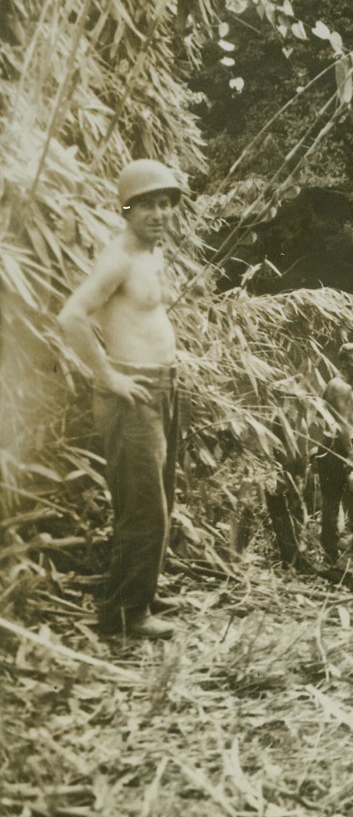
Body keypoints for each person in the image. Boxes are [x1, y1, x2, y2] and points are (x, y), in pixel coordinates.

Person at [57, 158, 185, 639]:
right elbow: (71, 317)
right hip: (132, 393)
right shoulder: (119, 257)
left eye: (165, 204)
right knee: (143, 508)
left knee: (158, 499)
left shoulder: (152, 252)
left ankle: (141, 591)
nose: (158, 213)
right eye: (147, 205)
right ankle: (127, 615)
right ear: (127, 210)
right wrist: (107, 377)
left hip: (162, 386)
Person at [316, 342, 353, 561]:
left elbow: (324, 415)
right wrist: (350, 454)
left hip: (329, 443)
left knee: (331, 500)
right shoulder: (342, 387)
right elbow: (341, 423)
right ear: (343, 363)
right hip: (340, 447)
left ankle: (331, 550)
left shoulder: (333, 384)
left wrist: (349, 429)